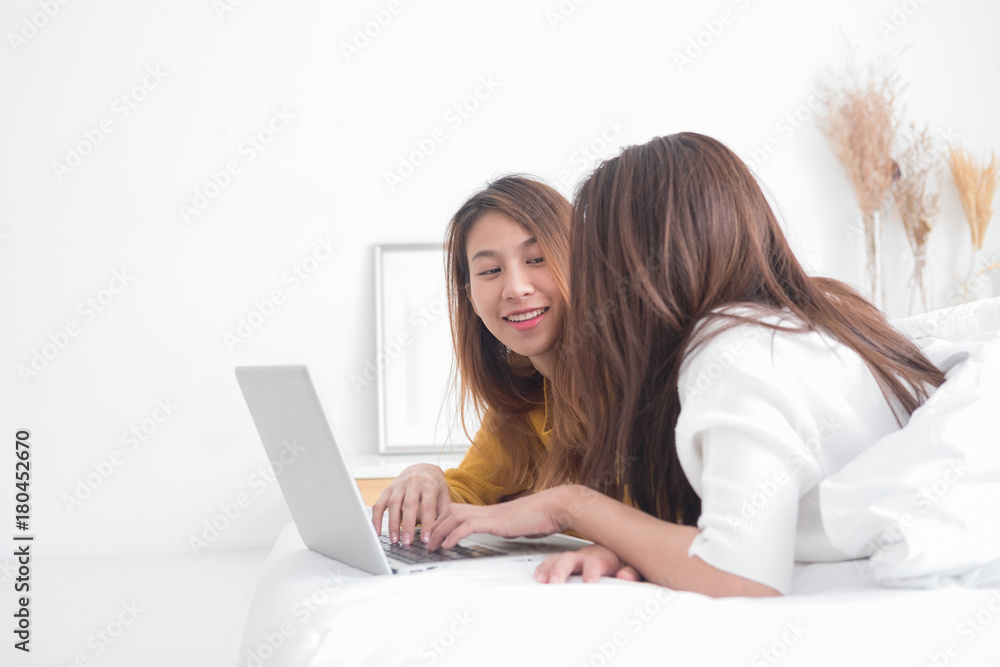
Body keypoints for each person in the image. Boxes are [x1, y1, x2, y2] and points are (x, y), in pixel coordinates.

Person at [424, 132, 946, 597]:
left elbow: (741, 575)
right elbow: (718, 523)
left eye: (595, 254)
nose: (592, 278)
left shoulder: (734, 355)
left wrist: (571, 507)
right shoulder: (790, 323)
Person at [371, 175, 616, 559]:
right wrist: (425, 477)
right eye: (489, 271)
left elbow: (676, 523)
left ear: (582, 264)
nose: (516, 288)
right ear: (469, 294)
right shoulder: (524, 393)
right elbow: (469, 494)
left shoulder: (626, 381)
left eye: (537, 260)